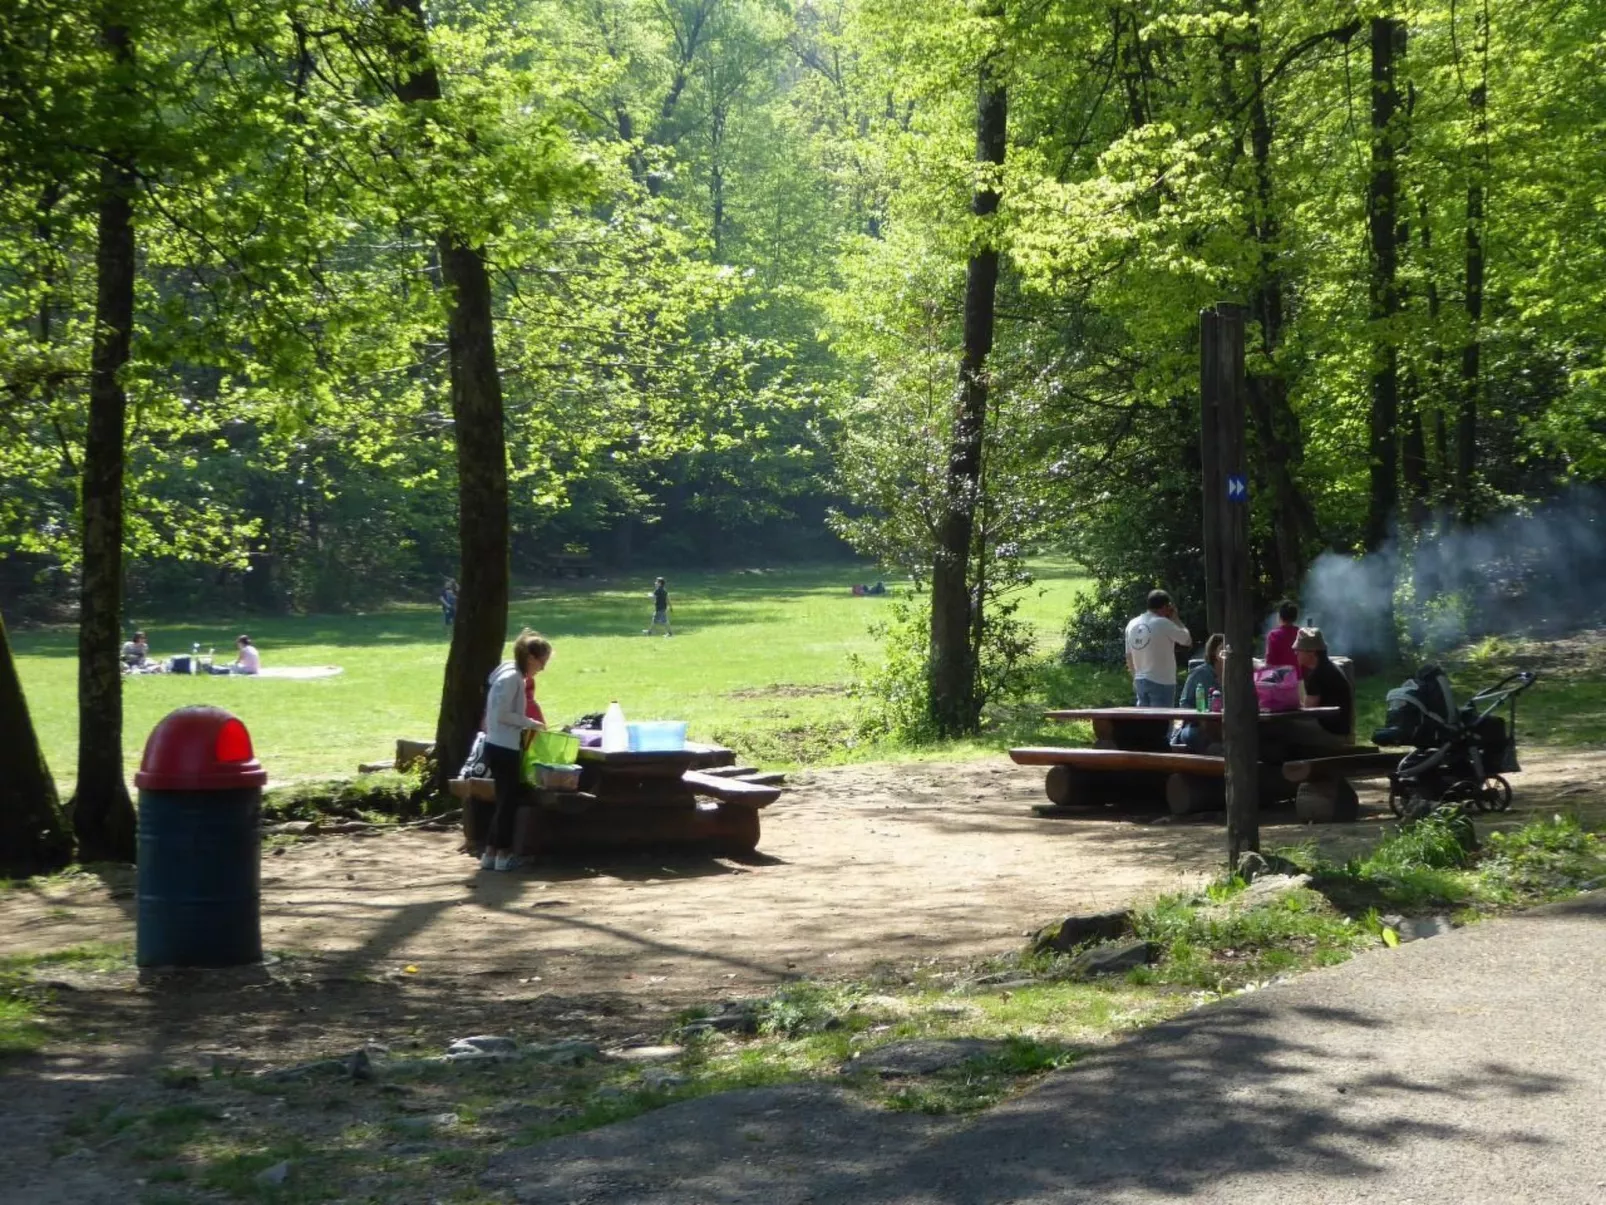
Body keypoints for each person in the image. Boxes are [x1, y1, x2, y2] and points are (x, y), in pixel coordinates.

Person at [480, 630, 551, 872]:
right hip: (503, 746)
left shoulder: (511, 675)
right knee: (507, 803)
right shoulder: (511, 678)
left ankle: (490, 853)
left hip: (500, 744)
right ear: (531, 657)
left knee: (504, 801)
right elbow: (500, 714)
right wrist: (530, 722)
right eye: (542, 663)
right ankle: (503, 855)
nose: (541, 669)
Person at [1124, 589, 1192, 708]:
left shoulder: (1132, 624)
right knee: (1162, 724)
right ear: (1166, 606)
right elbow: (1186, 640)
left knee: (1146, 723)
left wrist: (1135, 677)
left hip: (1140, 680)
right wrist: (1176, 619)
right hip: (1162, 680)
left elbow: (1129, 656)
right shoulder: (1163, 623)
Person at [1290, 627, 1354, 751]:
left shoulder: (1318, 674)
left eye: (1299, 650)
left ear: (1312, 652)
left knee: (1278, 729)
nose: (1296, 653)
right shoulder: (1329, 667)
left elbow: (1308, 712)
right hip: (1341, 728)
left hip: (1330, 731)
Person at [1173, 634, 1225, 752]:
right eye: (1222, 649)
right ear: (1213, 652)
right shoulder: (1200, 673)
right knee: (1196, 737)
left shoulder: (1234, 676)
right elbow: (1184, 704)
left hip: (1224, 726)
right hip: (1197, 725)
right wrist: (1200, 717)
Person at [1264, 600, 1302, 676]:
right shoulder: (1301, 633)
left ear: (1280, 616)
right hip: (1299, 678)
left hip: (1281, 682)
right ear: (1295, 617)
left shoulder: (1273, 635)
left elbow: (1270, 662)